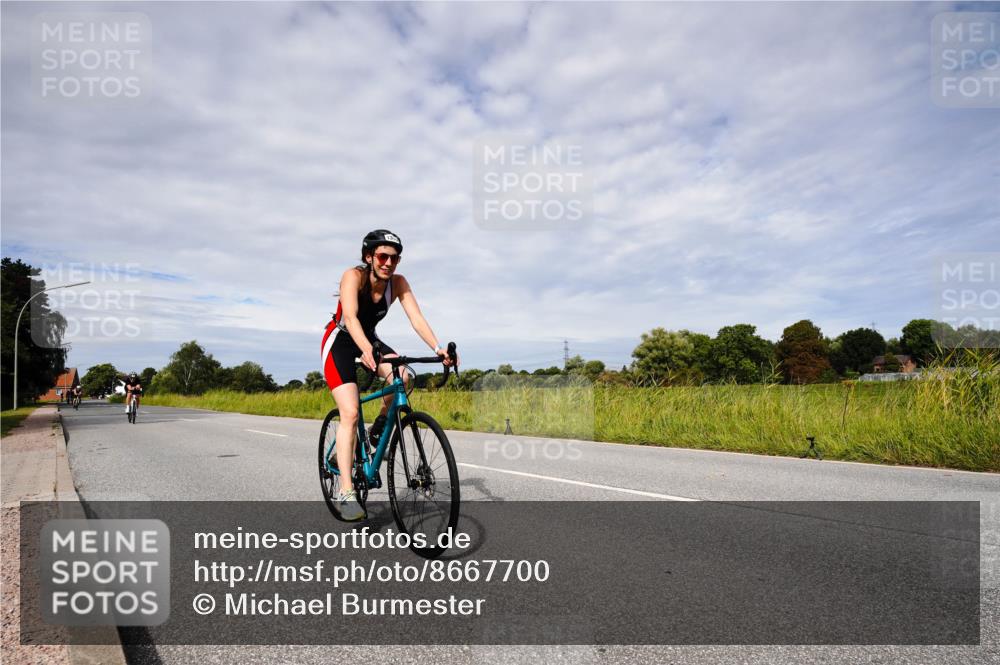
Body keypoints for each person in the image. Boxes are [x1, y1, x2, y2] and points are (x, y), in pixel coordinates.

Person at [320, 229, 457, 521]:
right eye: (383, 256)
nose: (389, 263)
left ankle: (379, 428)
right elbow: (352, 318)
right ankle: (346, 492)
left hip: (370, 339)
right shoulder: (353, 277)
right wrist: (366, 350)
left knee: (404, 377)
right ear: (369, 257)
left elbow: (416, 318)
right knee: (351, 412)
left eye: (395, 258)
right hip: (341, 341)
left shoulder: (399, 283)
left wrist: (438, 348)